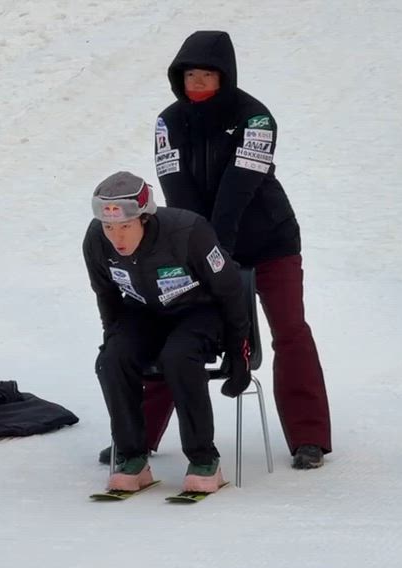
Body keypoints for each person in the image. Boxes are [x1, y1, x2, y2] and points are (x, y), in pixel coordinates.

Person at [126, 29, 332, 471]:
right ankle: (138, 437)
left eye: (207, 75)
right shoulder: (168, 122)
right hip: (198, 244)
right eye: (189, 75)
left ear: (227, 77)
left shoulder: (256, 118)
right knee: (172, 325)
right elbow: (176, 190)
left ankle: (309, 438)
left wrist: (216, 250)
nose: (197, 84)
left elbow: (238, 191)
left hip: (270, 241)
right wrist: (200, 252)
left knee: (290, 331)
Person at [85, 171, 250, 493]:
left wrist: (239, 353)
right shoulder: (95, 240)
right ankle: (132, 456)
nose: (116, 238)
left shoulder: (189, 231)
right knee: (111, 360)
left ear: (144, 219)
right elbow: (106, 294)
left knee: (179, 357)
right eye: (109, 227)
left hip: (199, 311)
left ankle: (204, 458)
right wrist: (114, 341)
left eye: (125, 227)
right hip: (143, 312)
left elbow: (231, 291)